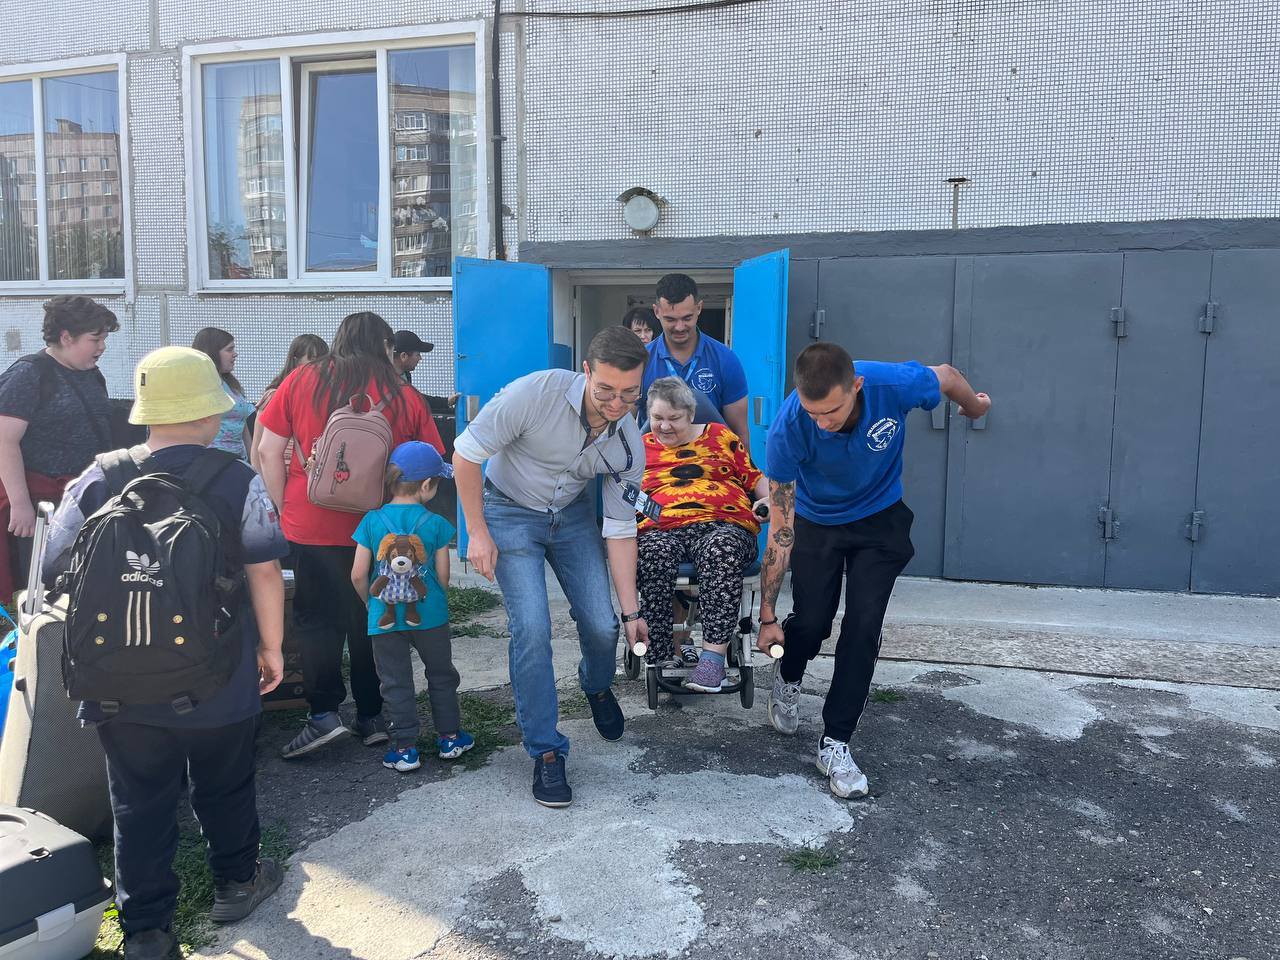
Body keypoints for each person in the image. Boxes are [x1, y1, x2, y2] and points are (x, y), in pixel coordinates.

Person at [43, 346, 288, 960]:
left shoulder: (98, 476)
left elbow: (53, 565)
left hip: (115, 682)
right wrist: (272, 648)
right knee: (226, 783)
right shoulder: (237, 479)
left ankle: (148, 931)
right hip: (218, 674)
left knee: (137, 801)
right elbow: (264, 570)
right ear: (207, 414)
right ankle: (237, 882)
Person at [757, 342, 991, 799]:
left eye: (831, 411)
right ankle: (788, 676)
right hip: (817, 520)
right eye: (813, 413)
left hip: (879, 518)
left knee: (863, 626)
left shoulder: (891, 384)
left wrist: (974, 406)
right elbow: (781, 532)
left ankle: (835, 742)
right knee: (812, 621)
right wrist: (767, 616)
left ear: (857, 386)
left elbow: (945, 375)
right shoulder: (788, 429)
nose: (821, 423)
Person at [453, 326, 650, 809]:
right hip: (509, 511)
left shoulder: (629, 440)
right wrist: (477, 531)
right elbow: (465, 454)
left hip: (573, 515)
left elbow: (620, 528)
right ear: (586, 372)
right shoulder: (534, 395)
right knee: (533, 628)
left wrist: (631, 612)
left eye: (630, 393)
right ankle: (545, 750)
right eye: (606, 390)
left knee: (602, 626)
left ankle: (596, 685)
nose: (617, 403)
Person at [256, 311, 445, 760]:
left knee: (315, 619)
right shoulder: (402, 392)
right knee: (371, 616)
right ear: (386, 346)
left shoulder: (301, 379)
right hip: (379, 528)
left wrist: (284, 507)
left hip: (310, 521)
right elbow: (432, 458)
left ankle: (323, 714)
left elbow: (267, 449)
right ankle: (372, 715)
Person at [637, 377, 769, 692]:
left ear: (691, 414)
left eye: (674, 418)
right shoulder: (640, 447)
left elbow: (754, 477)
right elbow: (623, 493)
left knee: (720, 550)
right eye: (657, 418)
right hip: (661, 527)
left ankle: (712, 663)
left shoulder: (720, 436)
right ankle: (662, 652)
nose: (664, 426)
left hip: (723, 524)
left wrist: (767, 500)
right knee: (652, 553)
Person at [351, 442, 473, 772]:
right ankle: (450, 738)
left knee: (394, 681)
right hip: (429, 615)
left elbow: (358, 574)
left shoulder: (371, 521)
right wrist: (436, 598)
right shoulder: (436, 523)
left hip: (384, 617)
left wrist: (371, 604)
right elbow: (443, 576)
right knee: (441, 675)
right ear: (426, 485)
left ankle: (405, 749)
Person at [0, 295, 119, 601]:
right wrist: (20, 505)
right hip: (43, 505)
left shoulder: (91, 374)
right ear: (66, 337)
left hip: (86, 499)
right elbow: (4, 441)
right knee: (40, 593)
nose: (102, 347)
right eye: (95, 339)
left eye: (104, 339)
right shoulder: (29, 374)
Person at [640, 274, 751, 444]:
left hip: (711, 458)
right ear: (656, 311)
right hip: (655, 458)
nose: (679, 327)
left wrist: (744, 462)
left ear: (699, 308)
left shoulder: (725, 359)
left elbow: (740, 432)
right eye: (670, 319)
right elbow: (623, 428)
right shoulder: (641, 361)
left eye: (687, 318)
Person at [249, 333, 328, 475]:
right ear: (295, 360)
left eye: (324, 360)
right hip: (278, 472)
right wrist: (262, 483)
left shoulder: (323, 395)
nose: (319, 366)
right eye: (313, 359)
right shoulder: (274, 396)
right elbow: (257, 449)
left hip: (308, 471)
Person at [192, 327, 254, 460]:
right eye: (229, 349)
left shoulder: (232, 385)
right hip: (210, 460)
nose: (235, 354)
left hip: (238, 460)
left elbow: (243, 426)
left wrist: (253, 461)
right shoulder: (198, 386)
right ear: (213, 353)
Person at [392, 328, 458, 413]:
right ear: (404, 356)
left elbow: (415, 398)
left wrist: (446, 402)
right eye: (418, 354)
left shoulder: (405, 375)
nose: (420, 358)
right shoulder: (383, 380)